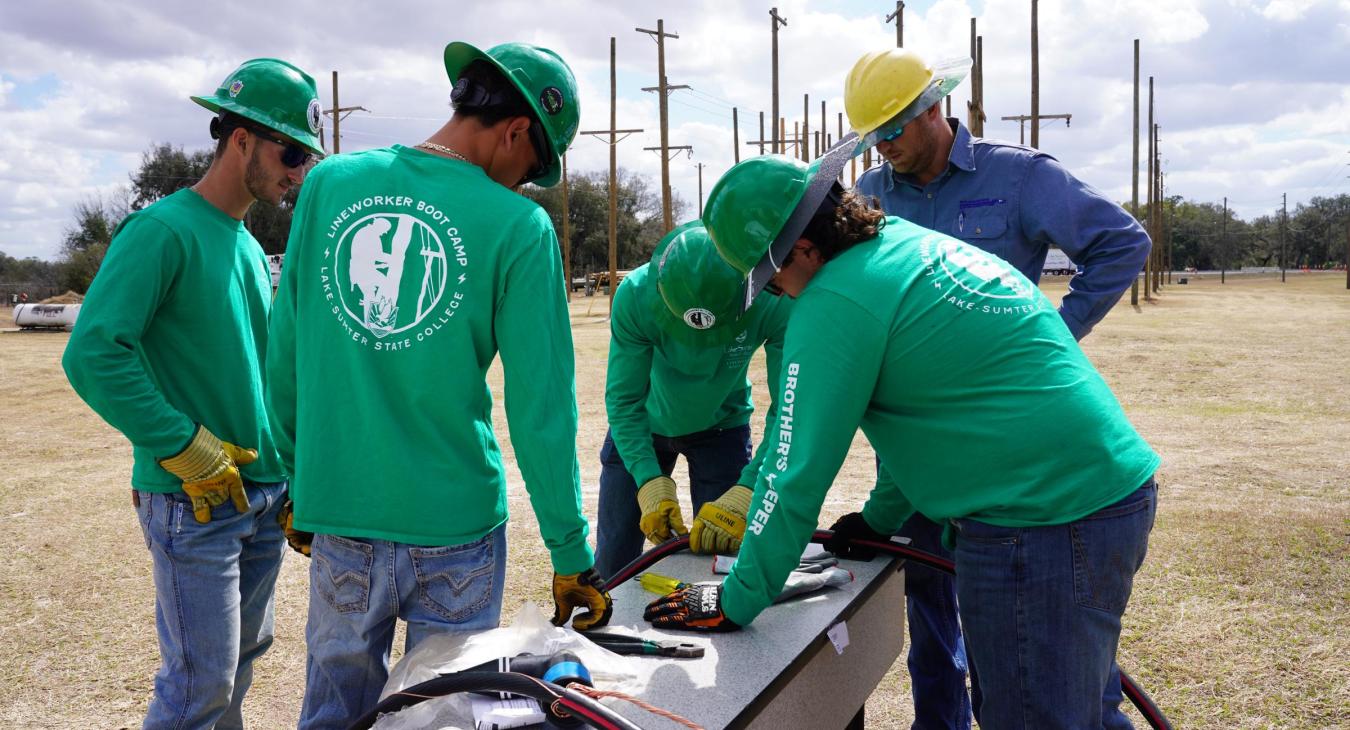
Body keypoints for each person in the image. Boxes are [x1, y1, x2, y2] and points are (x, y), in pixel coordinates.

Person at [644, 150, 1160, 730]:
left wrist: (736, 599)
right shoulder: (906, 247)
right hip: (1102, 497)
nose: (778, 295)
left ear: (805, 251)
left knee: (1035, 716)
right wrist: (880, 516)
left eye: (772, 279)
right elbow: (923, 412)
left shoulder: (835, 299)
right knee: (1079, 708)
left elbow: (793, 474)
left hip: (1038, 522)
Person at [265, 40, 611, 729]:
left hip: (342, 517)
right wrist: (571, 553)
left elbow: (286, 351)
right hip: (456, 530)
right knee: (443, 719)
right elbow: (542, 410)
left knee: (332, 711)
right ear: (517, 132)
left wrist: (299, 481)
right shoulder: (518, 227)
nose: (525, 186)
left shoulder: (330, 185)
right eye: (534, 170)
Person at [844, 48, 1153, 730]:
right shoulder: (870, 198)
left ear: (934, 108)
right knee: (932, 615)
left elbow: (1121, 242)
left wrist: (1048, 336)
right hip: (924, 452)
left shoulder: (1019, 176)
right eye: (873, 137)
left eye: (894, 128)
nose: (885, 146)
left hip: (1011, 459)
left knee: (1047, 660)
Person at [62, 58, 324, 728]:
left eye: (305, 159)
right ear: (241, 140)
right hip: (193, 501)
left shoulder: (242, 243)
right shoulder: (161, 231)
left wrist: (291, 473)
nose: (298, 173)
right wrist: (181, 444)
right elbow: (94, 352)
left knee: (236, 667)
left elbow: (263, 373)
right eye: (291, 153)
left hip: (262, 498)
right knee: (198, 685)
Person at [595, 220, 792, 579]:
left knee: (721, 556)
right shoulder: (636, 294)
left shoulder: (772, 300)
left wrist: (749, 486)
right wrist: (647, 477)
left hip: (722, 428)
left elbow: (788, 412)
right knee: (614, 560)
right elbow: (624, 401)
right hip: (642, 430)